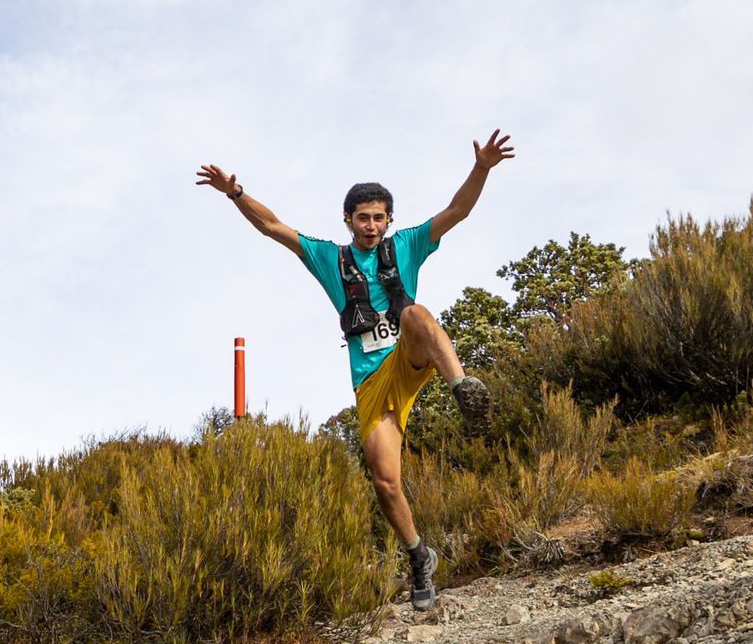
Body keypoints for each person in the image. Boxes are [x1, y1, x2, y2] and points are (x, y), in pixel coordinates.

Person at [196, 131, 515, 610]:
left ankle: (464, 387)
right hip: (371, 381)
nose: (371, 226)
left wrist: (482, 168)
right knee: (384, 480)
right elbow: (274, 228)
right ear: (348, 220)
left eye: (379, 218)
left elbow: (457, 211)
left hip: (409, 358)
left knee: (415, 314)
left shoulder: (407, 245)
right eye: (363, 218)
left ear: (390, 221)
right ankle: (418, 556)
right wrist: (236, 193)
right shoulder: (330, 257)